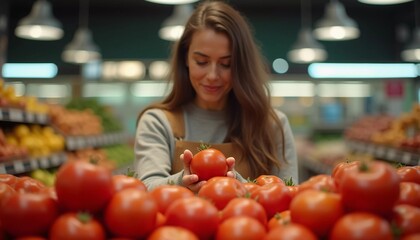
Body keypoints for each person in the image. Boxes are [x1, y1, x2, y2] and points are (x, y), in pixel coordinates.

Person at [134, 0, 298, 192]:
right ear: (185, 58)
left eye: (226, 64)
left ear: (241, 66)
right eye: (201, 61)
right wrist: (183, 180)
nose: (212, 76)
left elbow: (290, 195)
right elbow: (146, 187)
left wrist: (236, 182)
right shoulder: (157, 122)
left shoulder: (272, 125)